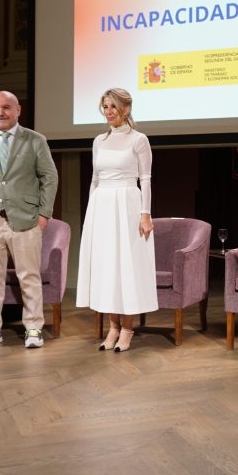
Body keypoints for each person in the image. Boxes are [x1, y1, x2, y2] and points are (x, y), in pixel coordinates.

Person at [0, 90, 59, 349]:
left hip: (25, 219)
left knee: (29, 276)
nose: (0, 113)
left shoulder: (35, 140)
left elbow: (49, 177)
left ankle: (34, 327)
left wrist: (43, 214)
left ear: (18, 110)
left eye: (6, 107)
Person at [77, 88, 158, 352]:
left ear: (125, 108)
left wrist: (145, 214)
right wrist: (91, 213)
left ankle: (127, 329)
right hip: (102, 206)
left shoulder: (138, 139)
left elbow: (145, 179)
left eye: (113, 106)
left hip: (127, 205)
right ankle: (112, 327)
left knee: (127, 267)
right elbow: (95, 179)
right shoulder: (99, 140)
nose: (109, 112)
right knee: (107, 267)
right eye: (105, 107)